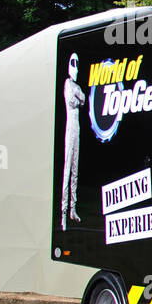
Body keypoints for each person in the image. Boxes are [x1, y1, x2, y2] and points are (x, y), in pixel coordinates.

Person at [61, 53, 84, 230]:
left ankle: (72, 209)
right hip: (70, 128)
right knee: (68, 169)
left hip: (77, 128)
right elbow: (73, 101)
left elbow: (82, 99)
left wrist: (79, 97)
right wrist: (78, 97)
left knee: (75, 169)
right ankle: (63, 213)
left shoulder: (74, 86)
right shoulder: (68, 84)